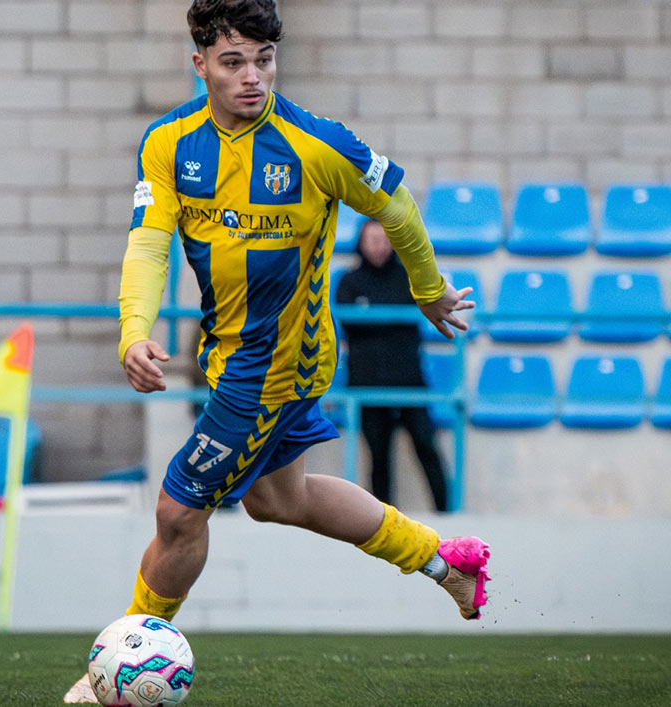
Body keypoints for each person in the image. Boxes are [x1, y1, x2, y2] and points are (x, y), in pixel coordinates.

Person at [65, 1, 489, 700]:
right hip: (229, 357)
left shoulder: (317, 144)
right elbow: (148, 241)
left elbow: (397, 205)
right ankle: (446, 563)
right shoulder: (167, 143)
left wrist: (428, 288)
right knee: (277, 498)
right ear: (199, 63)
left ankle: (114, 669)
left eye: (263, 60)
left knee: (177, 510)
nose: (253, 77)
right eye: (233, 62)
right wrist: (132, 329)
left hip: (280, 367)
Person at [336, 219, 448, 510]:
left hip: (409, 381)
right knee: (379, 457)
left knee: (426, 446)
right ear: (360, 242)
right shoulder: (349, 282)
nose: (378, 244)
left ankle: (448, 512)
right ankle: (384, 523)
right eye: (372, 238)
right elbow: (347, 325)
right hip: (367, 382)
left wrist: (374, 323)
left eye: (384, 238)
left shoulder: (407, 278)